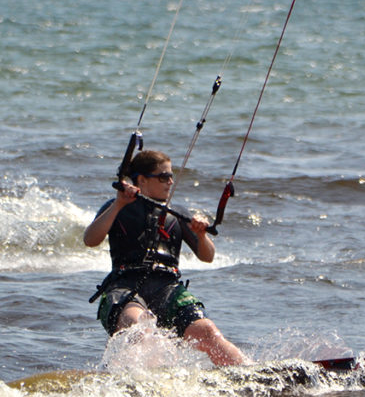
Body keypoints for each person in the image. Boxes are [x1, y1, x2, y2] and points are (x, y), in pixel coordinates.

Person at [84, 149, 250, 366]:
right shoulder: (116, 206)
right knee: (139, 327)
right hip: (125, 287)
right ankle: (141, 381)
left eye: (171, 175)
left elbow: (207, 256)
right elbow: (90, 239)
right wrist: (118, 205)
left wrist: (200, 235)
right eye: (163, 176)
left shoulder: (177, 212)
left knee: (208, 332)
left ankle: (249, 372)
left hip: (167, 289)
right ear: (141, 180)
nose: (170, 181)